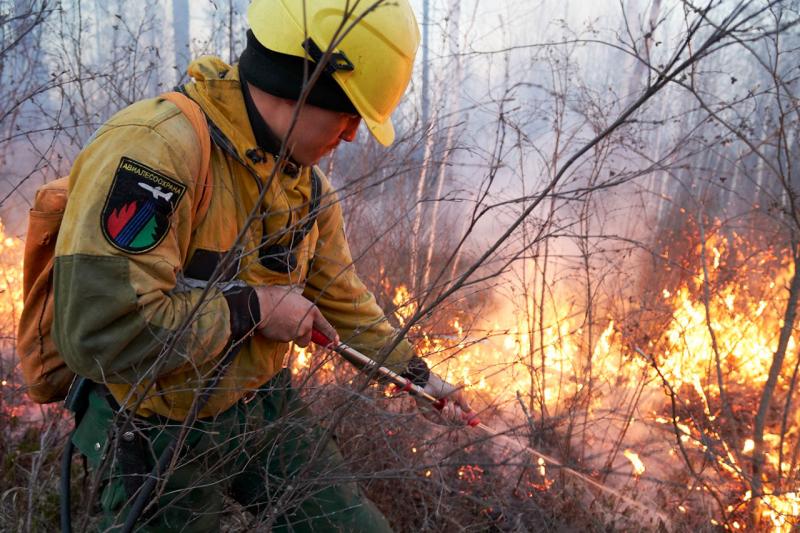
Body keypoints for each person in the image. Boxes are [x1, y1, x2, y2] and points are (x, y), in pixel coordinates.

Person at [52, 0, 472, 531]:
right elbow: (100, 331)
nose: (350, 136)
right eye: (346, 114)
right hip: (159, 425)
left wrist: (419, 377)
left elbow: (342, 299)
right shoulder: (156, 154)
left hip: (263, 407)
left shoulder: (305, 186)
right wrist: (253, 308)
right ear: (302, 86)